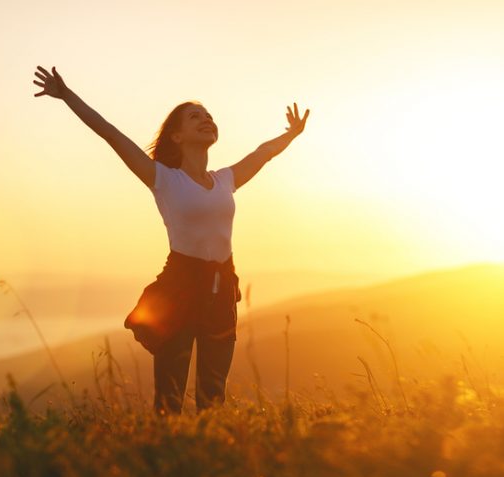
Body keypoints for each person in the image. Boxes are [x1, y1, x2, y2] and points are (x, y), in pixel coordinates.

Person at [32, 65, 309, 414]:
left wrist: (292, 134)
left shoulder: (226, 180)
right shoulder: (162, 178)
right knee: (170, 398)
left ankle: (209, 462)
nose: (206, 120)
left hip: (222, 288)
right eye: (195, 117)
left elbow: (263, 153)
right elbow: (111, 135)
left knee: (213, 396)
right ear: (176, 136)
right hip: (179, 288)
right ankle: (166, 461)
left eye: (209, 116)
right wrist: (67, 95)